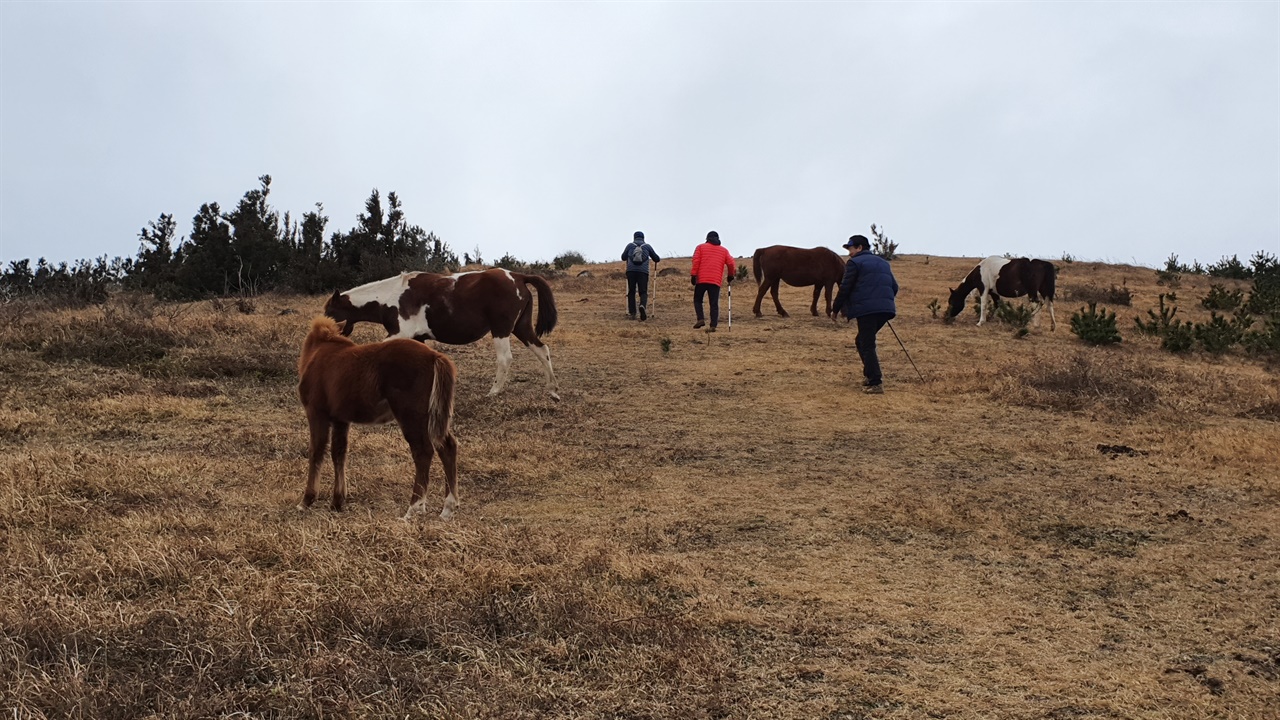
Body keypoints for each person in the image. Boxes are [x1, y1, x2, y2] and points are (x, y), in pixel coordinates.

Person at [831, 234, 899, 393]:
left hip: (867, 310)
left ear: (860, 248)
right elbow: (894, 287)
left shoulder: (854, 263)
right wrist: (883, 301)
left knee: (866, 343)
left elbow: (845, 287)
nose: (849, 253)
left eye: (851, 249)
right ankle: (870, 376)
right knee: (861, 340)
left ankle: (875, 382)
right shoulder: (883, 263)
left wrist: (835, 308)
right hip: (886, 309)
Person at [690, 230, 736, 331]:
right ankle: (713, 325)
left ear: (707, 239)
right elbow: (731, 263)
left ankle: (700, 319)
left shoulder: (700, 247)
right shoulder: (724, 250)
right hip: (715, 281)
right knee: (714, 303)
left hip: (701, 279)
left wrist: (693, 275)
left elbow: (696, 261)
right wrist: (730, 275)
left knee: (697, 300)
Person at [622, 231, 660, 321]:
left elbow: (623, 257)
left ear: (634, 237)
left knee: (631, 292)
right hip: (643, 272)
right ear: (643, 238)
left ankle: (633, 313)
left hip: (631, 271)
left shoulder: (630, 245)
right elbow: (656, 259)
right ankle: (642, 305)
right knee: (643, 291)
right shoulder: (647, 246)